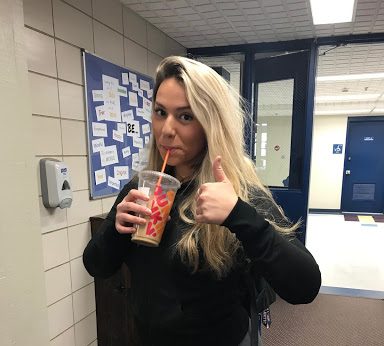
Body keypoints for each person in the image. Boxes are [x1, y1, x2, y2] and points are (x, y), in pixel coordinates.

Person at [83, 56, 321, 346]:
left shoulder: (237, 193)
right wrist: (115, 230)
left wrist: (238, 215)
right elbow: (97, 266)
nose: (166, 130)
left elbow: (305, 286)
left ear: (211, 124)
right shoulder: (142, 189)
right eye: (160, 112)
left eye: (185, 116)